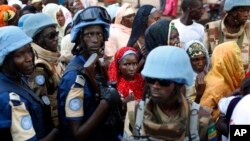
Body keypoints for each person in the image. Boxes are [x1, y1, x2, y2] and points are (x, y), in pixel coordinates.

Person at [123, 46, 217, 141]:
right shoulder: (134, 113)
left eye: (163, 81)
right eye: (151, 79)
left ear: (179, 84)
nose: (155, 86)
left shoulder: (202, 119)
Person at [57, 6, 121, 141]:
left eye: (99, 34)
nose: (95, 39)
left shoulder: (96, 64)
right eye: (89, 34)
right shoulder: (74, 77)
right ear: (80, 38)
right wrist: (105, 104)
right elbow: (77, 134)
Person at [0, 26, 59, 141]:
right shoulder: (8, 97)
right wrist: (58, 130)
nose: (29, 58)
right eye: (19, 55)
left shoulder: (17, 77)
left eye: (29, 51)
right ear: (5, 60)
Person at [23, 13, 63, 127]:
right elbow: (40, 110)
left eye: (56, 34)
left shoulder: (52, 60)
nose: (56, 38)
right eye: (51, 35)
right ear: (37, 40)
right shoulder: (39, 69)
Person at [200, 41, 245, 121]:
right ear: (228, 60)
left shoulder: (229, 77)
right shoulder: (216, 85)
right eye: (235, 57)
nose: (239, 61)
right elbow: (203, 117)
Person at [205, 0, 250, 70]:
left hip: (245, 78)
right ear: (231, 11)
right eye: (242, 11)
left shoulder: (248, 28)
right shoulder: (212, 28)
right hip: (218, 78)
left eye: (248, 11)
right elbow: (204, 59)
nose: (247, 14)